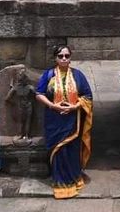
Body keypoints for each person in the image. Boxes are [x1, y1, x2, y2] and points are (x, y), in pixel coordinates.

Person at [36, 45, 93, 200]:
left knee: (72, 149)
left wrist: (75, 106)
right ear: (55, 58)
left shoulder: (78, 75)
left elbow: (87, 95)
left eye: (66, 56)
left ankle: (73, 178)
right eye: (60, 56)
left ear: (70, 58)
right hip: (54, 119)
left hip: (73, 119)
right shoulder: (48, 75)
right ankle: (60, 181)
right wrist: (52, 105)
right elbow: (39, 93)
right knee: (58, 151)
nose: (63, 59)